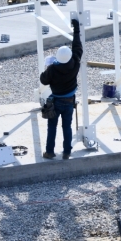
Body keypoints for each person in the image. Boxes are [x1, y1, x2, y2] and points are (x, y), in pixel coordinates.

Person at [40, 13, 82, 159]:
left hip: (56, 101)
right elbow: (77, 46)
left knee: (52, 127)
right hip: (69, 101)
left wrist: (48, 66)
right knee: (67, 127)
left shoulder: (52, 69)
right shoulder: (75, 63)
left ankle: (50, 152)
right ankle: (67, 152)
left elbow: (43, 80)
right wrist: (76, 28)